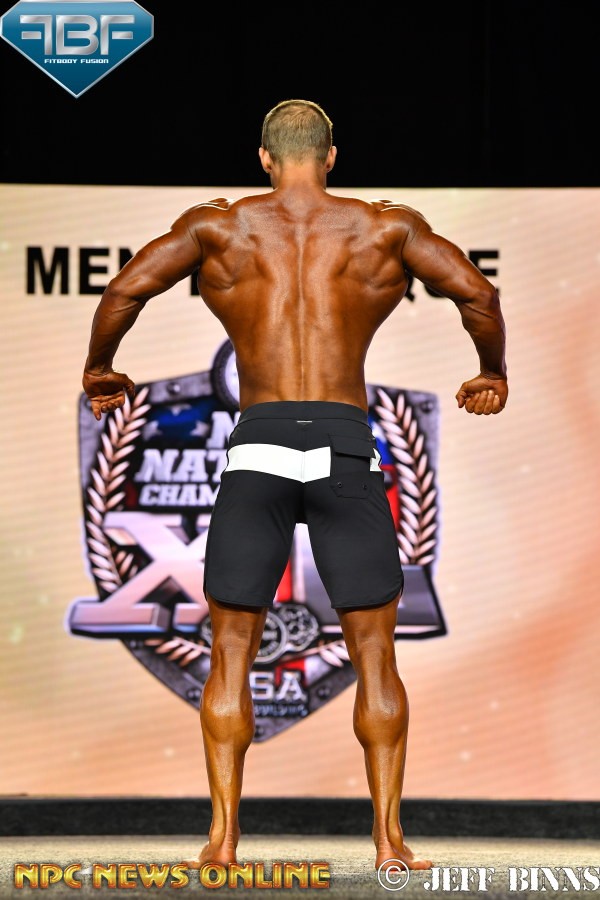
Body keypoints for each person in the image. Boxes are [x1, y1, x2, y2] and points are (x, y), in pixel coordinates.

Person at [82, 99, 508, 872]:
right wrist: (490, 372)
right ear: (333, 157)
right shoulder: (385, 228)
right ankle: (389, 843)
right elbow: (478, 294)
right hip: (344, 444)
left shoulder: (220, 228)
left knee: (230, 649)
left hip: (261, 446)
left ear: (264, 158)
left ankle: (222, 841)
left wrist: (100, 368)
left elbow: (122, 292)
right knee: (374, 652)